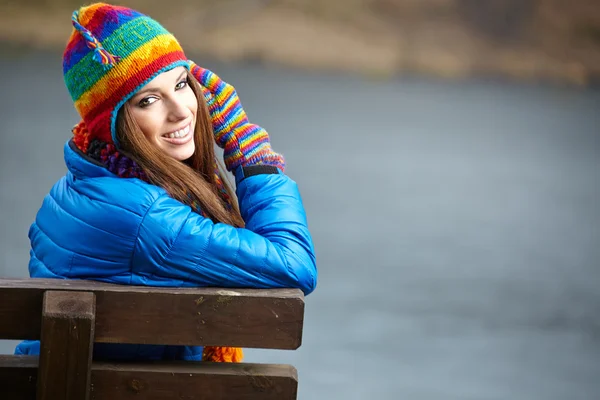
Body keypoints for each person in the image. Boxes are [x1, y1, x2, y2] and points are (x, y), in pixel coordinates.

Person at [14, 2, 317, 362]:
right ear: (109, 125)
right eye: (149, 100)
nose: (181, 110)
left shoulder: (77, 187)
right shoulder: (146, 218)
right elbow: (294, 265)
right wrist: (251, 155)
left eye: (181, 84)